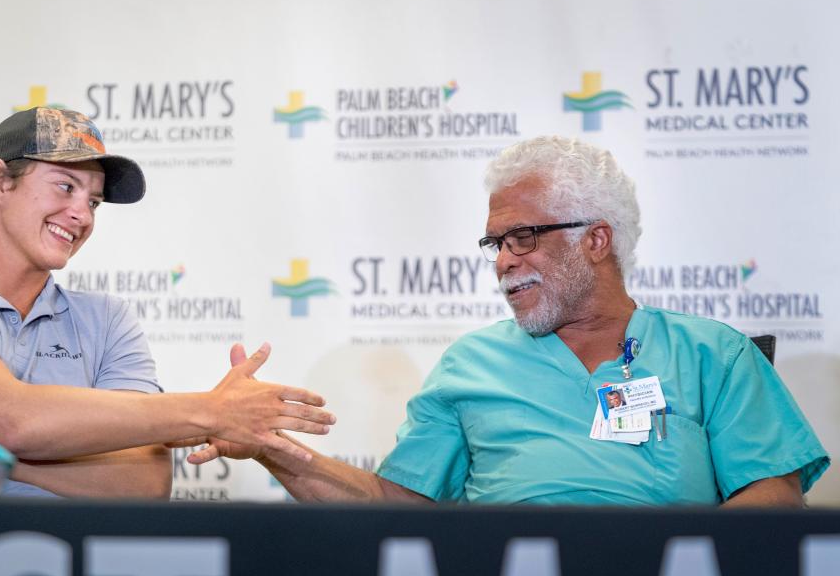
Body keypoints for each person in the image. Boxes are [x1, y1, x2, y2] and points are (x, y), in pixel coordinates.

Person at [195, 136, 829, 507]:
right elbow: (397, 508)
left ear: (596, 240)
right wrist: (274, 452)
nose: (503, 262)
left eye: (522, 237)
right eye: (494, 244)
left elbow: (769, 506)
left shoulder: (712, 355)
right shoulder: (470, 366)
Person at [0, 107, 335, 498]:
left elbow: (144, 481)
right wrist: (213, 409)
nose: (81, 214)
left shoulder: (106, 318)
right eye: (65, 187)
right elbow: (9, 416)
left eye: (94, 202)